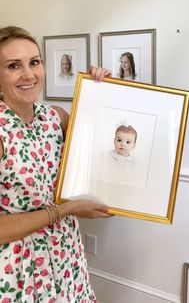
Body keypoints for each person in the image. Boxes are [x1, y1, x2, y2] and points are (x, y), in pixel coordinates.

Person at [0, 26, 112, 303]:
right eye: (14, 66)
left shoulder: (55, 118)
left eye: (34, 62)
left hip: (66, 258)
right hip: (18, 270)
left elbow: (103, 152)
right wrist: (67, 210)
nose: (28, 74)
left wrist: (106, 91)